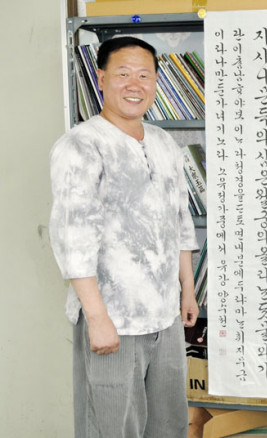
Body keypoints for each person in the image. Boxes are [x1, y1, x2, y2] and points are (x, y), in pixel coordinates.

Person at [49, 36, 199, 437]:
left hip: (164, 316)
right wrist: (98, 319)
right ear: (101, 79)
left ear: (156, 83)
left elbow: (180, 221)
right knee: (112, 427)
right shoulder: (81, 145)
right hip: (113, 318)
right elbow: (72, 239)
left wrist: (187, 290)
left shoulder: (164, 142)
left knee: (168, 424)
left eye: (144, 75)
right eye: (123, 74)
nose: (135, 85)